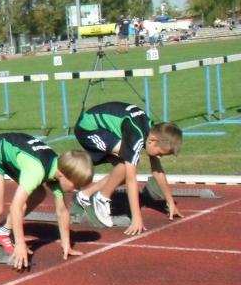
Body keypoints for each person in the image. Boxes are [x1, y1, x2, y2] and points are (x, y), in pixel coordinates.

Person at [0, 133, 94, 270]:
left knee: (38, 194)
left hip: (14, 154)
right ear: (63, 174)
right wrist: (20, 244)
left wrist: (66, 244)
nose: (77, 189)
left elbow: (62, 211)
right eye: (76, 184)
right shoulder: (37, 170)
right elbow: (16, 206)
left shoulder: (57, 169)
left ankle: (1, 232)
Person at [74, 101, 183, 235]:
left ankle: (85, 194)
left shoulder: (151, 131)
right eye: (160, 153)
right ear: (153, 141)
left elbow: (157, 171)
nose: (159, 157)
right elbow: (132, 180)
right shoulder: (136, 136)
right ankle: (101, 198)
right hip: (87, 128)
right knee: (127, 165)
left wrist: (170, 202)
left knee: (123, 169)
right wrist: (136, 218)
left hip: (106, 129)